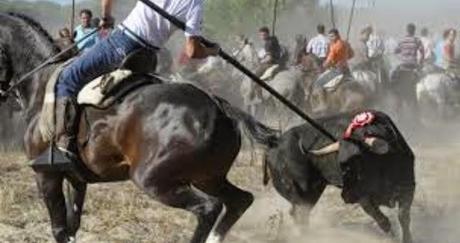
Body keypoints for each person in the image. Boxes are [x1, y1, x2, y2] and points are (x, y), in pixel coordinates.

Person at [50, 0, 219, 165]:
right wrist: (213, 50)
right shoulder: (195, 3)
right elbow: (193, 51)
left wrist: (106, 16)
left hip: (122, 43)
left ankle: (64, 144)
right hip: (147, 56)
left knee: (69, 77)